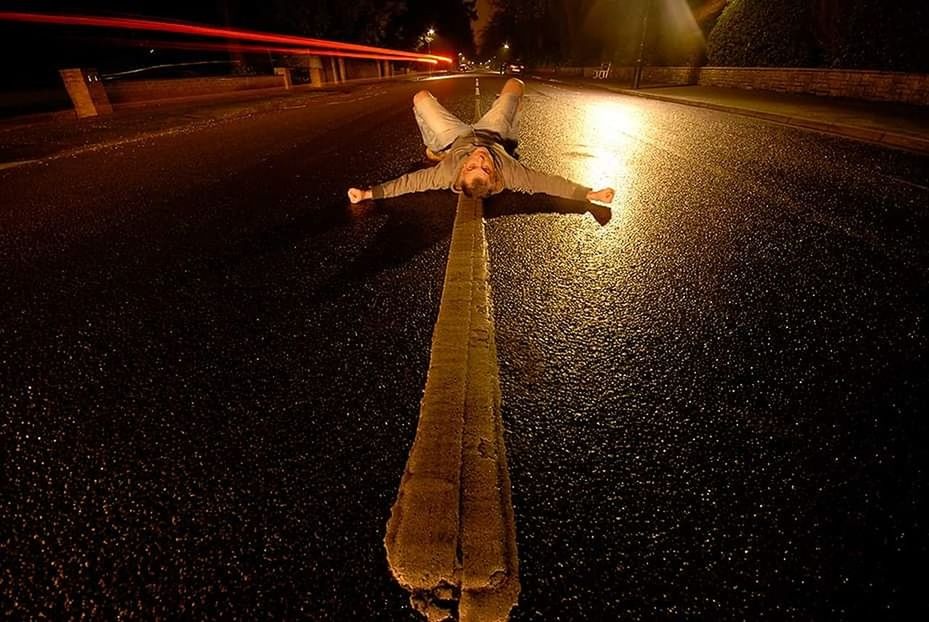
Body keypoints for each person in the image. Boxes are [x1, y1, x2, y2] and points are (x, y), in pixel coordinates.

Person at [347, 78, 615, 205]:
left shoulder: (447, 172)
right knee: (515, 84)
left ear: (460, 171)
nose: (479, 159)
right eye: (485, 169)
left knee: (420, 97)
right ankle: (510, 133)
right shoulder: (511, 173)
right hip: (492, 134)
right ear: (496, 176)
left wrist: (369, 193)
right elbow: (547, 183)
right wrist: (589, 194)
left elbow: (409, 183)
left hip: (455, 139)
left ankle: (437, 150)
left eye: (471, 167)